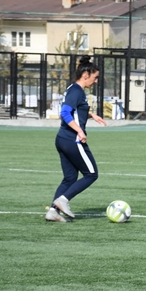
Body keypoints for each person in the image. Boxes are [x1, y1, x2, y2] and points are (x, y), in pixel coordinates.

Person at [47, 58, 106, 222]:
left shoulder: (73, 89)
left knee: (70, 178)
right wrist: (80, 131)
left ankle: (52, 211)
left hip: (62, 139)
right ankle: (63, 200)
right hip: (72, 140)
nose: (96, 81)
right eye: (95, 77)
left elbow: (73, 112)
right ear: (86, 74)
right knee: (92, 174)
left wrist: (91, 115)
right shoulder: (77, 91)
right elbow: (65, 114)